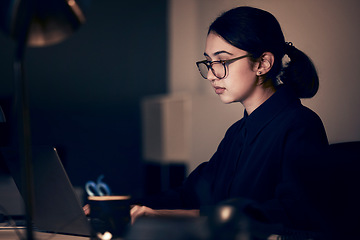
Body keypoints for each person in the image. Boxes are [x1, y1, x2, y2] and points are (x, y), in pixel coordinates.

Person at [131, 6, 329, 234]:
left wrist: (167, 216)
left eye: (222, 62)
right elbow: (189, 195)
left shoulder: (301, 125)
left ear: (263, 63)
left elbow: (291, 215)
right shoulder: (236, 133)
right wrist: (124, 206)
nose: (211, 74)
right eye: (208, 62)